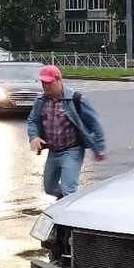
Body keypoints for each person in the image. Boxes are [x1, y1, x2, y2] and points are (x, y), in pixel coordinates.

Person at [27, 65, 107, 199]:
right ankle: (71, 201)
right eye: (43, 83)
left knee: (69, 189)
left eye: (49, 82)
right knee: (49, 187)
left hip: (72, 150)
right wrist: (34, 137)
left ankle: (69, 214)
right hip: (53, 151)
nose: (45, 86)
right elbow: (32, 120)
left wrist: (99, 148)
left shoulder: (77, 99)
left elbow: (95, 124)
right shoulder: (41, 101)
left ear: (59, 80)